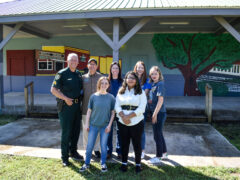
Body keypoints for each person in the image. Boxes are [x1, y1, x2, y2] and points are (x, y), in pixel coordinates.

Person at [51, 53, 83, 167]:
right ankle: (65, 157)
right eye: (71, 60)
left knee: (76, 131)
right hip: (65, 107)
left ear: (78, 62)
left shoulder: (79, 74)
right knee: (66, 132)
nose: (74, 62)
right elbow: (53, 89)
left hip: (76, 106)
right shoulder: (62, 73)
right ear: (67, 61)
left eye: (76, 60)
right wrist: (65, 98)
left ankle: (73, 152)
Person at [79, 77, 115, 173]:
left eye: (106, 83)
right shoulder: (93, 96)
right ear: (99, 84)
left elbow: (113, 113)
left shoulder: (111, 97)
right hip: (93, 125)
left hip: (105, 126)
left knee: (103, 146)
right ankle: (86, 163)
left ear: (108, 85)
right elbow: (89, 111)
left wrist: (109, 125)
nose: (104, 85)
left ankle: (103, 163)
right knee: (90, 145)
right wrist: (87, 124)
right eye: (102, 83)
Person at [115, 71, 147, 173]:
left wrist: (128, 117)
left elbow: (142, 108)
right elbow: (116, 105)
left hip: (137, 122)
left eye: (133, 78)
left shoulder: (140, 92)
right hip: (122, 121)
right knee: (124, 143)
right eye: (129, 78)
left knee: (137, 144)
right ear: (125, 79)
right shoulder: (121, 91)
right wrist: (123, 117)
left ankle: (138, 164)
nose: (131, 80)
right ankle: (124, 164)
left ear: (136, 80)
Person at [82, 58, 102, 158]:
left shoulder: (101, 77)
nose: (92, 66)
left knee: (97, 130)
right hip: (85, 108)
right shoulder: (83, 77)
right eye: (90, 64)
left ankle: (96, 149)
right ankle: (87, 149)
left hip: (98, 110)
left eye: (94, 64)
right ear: (88, 65)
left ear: (96, 66)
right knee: (86, 130)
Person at [148, 66, 168, 164]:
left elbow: (160, 100)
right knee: (159, 134)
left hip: (159, 113)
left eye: (155, 73)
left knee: (157, 135)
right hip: (155, 112)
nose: (154, 75)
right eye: (152, 74)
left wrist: (154, 114)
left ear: (159, 74)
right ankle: (164, 153)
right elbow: (147, 93)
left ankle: (158, 157)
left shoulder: (160, 84)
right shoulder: (152, 84)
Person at [133, 61, 151, 159]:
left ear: (144, 70)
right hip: (132, 108)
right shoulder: (132, 78)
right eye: (138, 67)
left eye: (142, 68)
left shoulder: (147, 80)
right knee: (134, 130)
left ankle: (142, 150)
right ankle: (136, 150)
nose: (140, 69)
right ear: (135, 68)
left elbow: (145, 94)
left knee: (141, 130)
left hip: (142, 108)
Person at [107, 62, 123, 159]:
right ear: (111, 70)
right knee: (108, 130)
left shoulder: (123, 82)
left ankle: (119, 150)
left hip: (120, 109)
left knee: (119, 130)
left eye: (117, 68)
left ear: (119, 70)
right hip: (109, 109)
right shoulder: (107, 81)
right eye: (113, 68)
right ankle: (108, 151)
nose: (115, 70)